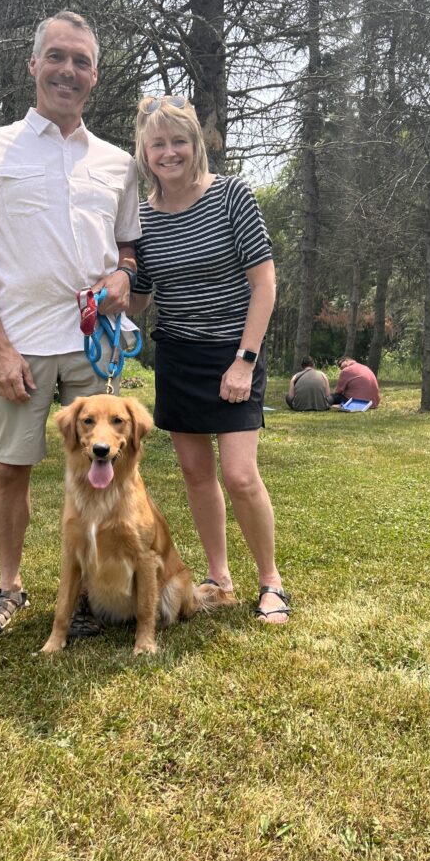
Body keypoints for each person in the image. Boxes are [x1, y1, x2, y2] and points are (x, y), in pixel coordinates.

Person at [0, 10, 141, 638]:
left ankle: (86, 593)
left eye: (81, 61)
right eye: (57, 56)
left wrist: (125, 276)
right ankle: (9, 589)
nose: (68, 70)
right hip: (20, 346)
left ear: (95, 76)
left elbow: (130, 249)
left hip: (94, 349)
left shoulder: (117, 162)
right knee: (10, 468)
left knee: (103, 471)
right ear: (34, 65)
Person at [129, 95, 291, 625]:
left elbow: (263, 283)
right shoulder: (142, 219)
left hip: (233, 351)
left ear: (196, 144)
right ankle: (219, 577)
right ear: (145, 151)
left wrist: (245, 360)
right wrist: (112, 296)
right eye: (159, 144)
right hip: (178, 355)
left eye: (180, 141)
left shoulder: (230, 197)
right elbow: (142, 294)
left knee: (241, 475)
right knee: (197, 473)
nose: (170, 152)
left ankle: (270, 582)